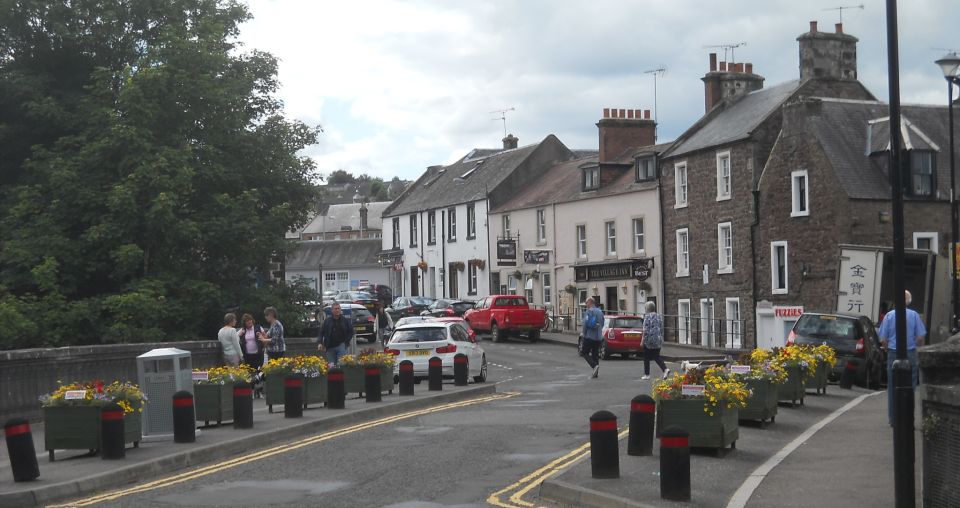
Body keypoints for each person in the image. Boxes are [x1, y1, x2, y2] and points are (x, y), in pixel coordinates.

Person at [878, 290, 926, 426]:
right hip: (910, 352)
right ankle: (908, 417)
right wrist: (916, 347)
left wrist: (888, 349)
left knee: (893, 385)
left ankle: (893, 418)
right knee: (910, 386)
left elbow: (883, 339)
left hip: (893, 352)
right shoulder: (915, 315)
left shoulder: (889, 316)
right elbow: (921, 337)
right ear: (909, 301)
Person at [640, 301, 670, 380]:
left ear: (647, 309)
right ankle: (665, 369)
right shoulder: (659, 316)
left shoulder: (647, 317)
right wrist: (661, 338)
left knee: (646, 357)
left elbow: (645, 329)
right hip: (658, 339)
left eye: (645, 308)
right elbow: (661, 328)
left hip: (649, 339)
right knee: (656, 356)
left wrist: (642, 340)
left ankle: (647, 375)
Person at [580, 298, 604, 379]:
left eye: (586, 303)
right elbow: (602, 323)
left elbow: (585, 324)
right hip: (598, 337)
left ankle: (594, 366)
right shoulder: (600, 312)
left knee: (584, 352)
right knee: (595, 354)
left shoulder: (589, 311)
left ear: (590, 302)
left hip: (590, 336)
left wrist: (584, 334)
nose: (586, 305)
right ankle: (596, 373)